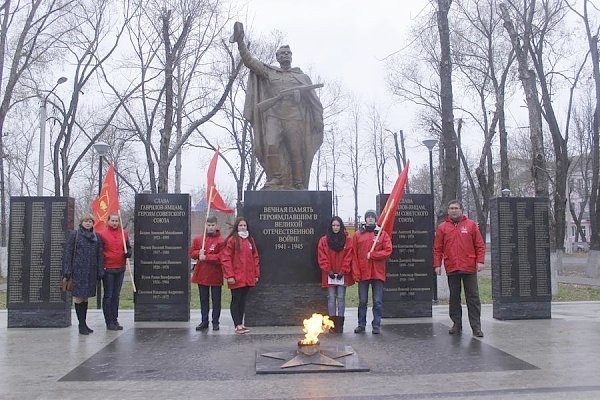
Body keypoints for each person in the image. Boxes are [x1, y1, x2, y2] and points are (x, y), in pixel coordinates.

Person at [230, 21, 324, 190]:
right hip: (273, 116)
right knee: (271, 145)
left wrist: (318, 121)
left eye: (288, 53)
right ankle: (275, 178)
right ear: (277, 58)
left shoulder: (301, 77)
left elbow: (313, 102)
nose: (285, 55)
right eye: (282, 54)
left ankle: (298, 182)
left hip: (294, 118)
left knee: (296, 151)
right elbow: (250, 61)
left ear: (291, 56)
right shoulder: (270, 72)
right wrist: (240, 42)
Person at [434, 200, 486, 338]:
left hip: (469, 267)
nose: (454, 210)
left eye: (456, 208)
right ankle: (456, 324)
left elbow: (480, 245)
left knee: (473, 298)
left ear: (462, 210)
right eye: (451, 208)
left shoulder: (471, 225)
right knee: (454, 297)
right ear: (448, 211)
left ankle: (476, 327)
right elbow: (438, 248)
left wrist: (480, 261)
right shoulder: (442, 227)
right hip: (452, 267)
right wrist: (437, 265)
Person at [352, 209, 393, 334]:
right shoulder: (358, 235)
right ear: (365, 219)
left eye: (372, 217)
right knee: (363, 301)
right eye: (368, 217)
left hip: (377, 273)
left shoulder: (382, 234)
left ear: (375, 219)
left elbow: (388, 251)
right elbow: (354, 255)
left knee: (377, 301)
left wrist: (374, 255)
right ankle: (361, 324)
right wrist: (356, 272)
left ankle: (376, 325)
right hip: (363, 273)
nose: (370, 219)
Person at [63, 213, 104, 335]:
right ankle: (81, 324)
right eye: (86, 221)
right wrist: (67, 271)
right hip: (77, 272)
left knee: (85, 298)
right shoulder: (75, 235)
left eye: (90, 221)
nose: (88, 223)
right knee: (78, 298)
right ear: (81, 222)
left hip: (90, 272)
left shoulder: (96, 237)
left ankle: (84, 323)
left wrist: (100, 270)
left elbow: (99, 255)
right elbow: (68, 254)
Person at [221, 217, 260, 334]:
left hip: (248, 277)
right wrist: (230, 275)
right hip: (236, 277)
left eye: (244, 226)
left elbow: (255, 258)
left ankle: (240, 323)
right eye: (241, 225)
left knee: (243, 300)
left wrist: (256, 274)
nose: (243, 227)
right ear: (236, 227)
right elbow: (226, 258)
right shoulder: (233, 240)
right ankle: (237, 324)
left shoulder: (250, 240)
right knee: (236, 300)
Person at [318, 216, 354, 333]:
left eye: (338, 225)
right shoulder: (324, 240)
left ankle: (340, 324)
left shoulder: (347, 240)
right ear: (330, 226)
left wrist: (343, 271)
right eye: (333, 225)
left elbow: (349, 256)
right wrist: (328, 270)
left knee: (341, 298)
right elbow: (322, 256)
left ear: (341, 226)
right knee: (331, 298)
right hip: (330, 275)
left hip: (342, 274)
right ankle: (332, 324)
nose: (335, 228)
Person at [189, 216, 225, 331]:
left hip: (215, 274)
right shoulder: (199, 239)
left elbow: (221, 257)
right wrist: (198, 253)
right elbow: (192, 253)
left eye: (212, 225)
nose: (210, 227)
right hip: (202, 274)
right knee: (203, 299)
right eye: (208, 225)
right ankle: (204, 321)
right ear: (205, 225)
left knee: (216, 299)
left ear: (216, 226)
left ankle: (215, 322)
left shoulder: (221, 241)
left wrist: (207, 257)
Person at [98, 213, 131, 331]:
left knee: (116, 296)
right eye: (112, 220)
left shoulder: (124, 233)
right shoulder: (102, 234)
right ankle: (109, 321)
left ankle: (115, 319)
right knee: (108, 295)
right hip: (108, 268)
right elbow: (99, 252)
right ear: (108, 221)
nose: (115, 223)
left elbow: (128, 247)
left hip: (120, 268)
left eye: (117, 221)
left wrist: (129, 253)